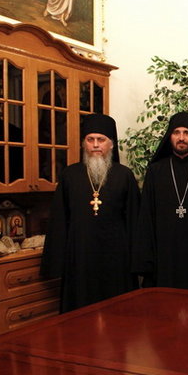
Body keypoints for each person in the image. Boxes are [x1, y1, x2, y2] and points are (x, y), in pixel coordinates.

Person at [41, 114, 140, 312]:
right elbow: (60, 221)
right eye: (90, 139)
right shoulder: (70, 175)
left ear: (111, 144)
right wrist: (57, 263)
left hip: (116, 258)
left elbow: (135, 221)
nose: (95, 145)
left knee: (118, 316)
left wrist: (137, 263)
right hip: (80, 256)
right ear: (83, 144)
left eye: (101, 140)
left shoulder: (124, 175)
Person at [134, 112, 188, 290]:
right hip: (164, 254)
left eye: (187, 133)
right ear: (169, 136)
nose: (181, 137)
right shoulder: (156, 171)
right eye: (176, 132)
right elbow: (146, 218)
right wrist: (146, 260)